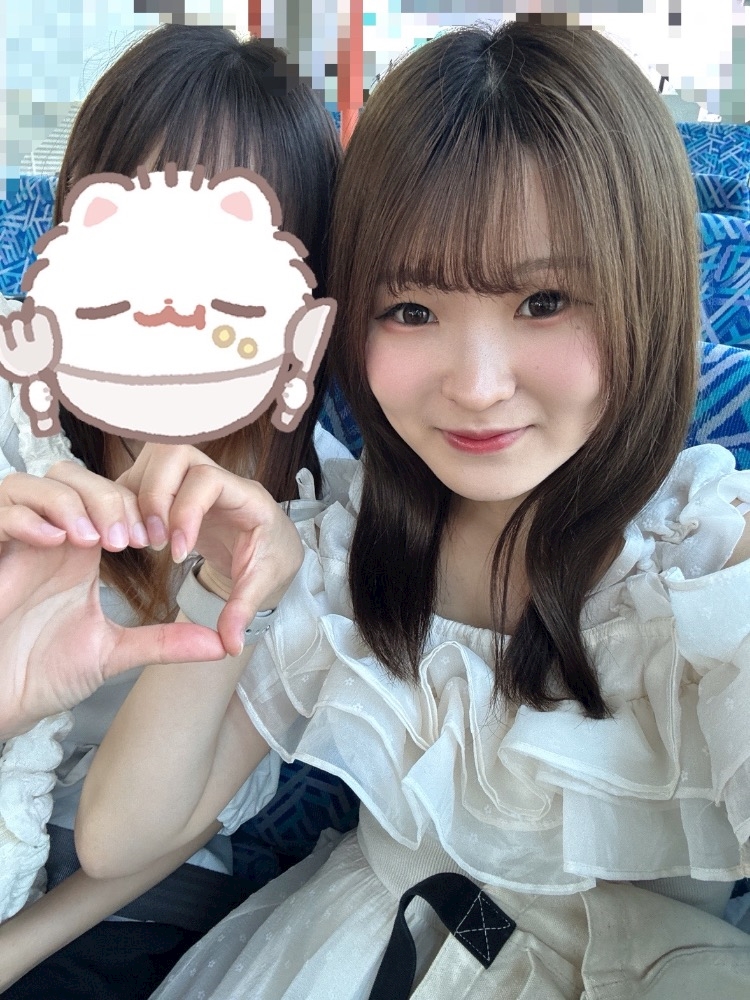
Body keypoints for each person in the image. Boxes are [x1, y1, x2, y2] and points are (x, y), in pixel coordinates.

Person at [12, 20, 750, 998]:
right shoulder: (343, 552)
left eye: (543, 301)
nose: (477, 385)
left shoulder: (705, 555)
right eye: (411, 311)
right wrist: (223, 584)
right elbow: (122, 835)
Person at [0, 21, 351, 997]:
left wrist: (223, 587)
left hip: (130, 903)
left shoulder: (319, 527)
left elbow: (127, 845)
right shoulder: (16, 421)